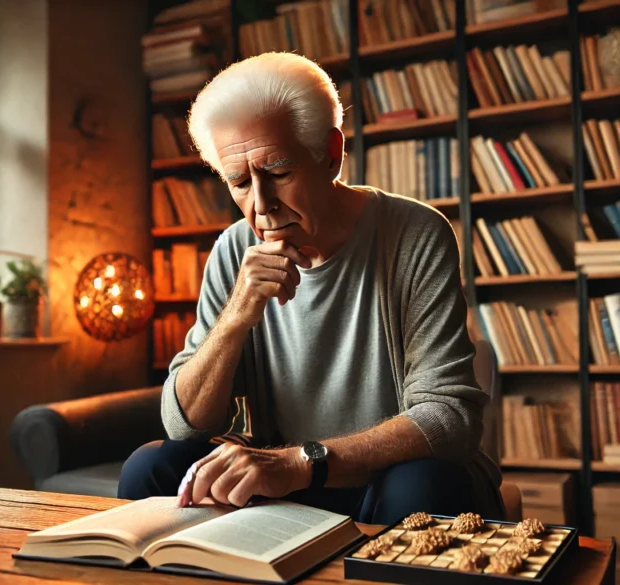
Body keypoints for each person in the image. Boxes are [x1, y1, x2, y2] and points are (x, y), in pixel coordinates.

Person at [118, 52, 503, 524]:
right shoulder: (232, 249)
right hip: (280, 484)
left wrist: (300, 462)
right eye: (239, 182)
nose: (261, 205)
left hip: (383, 476)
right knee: (151, 467)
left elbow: (448, 417)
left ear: (331, 154)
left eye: (279, 172)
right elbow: (184, 424)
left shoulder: (415, 234)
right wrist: (238, 313)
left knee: (422, 486)